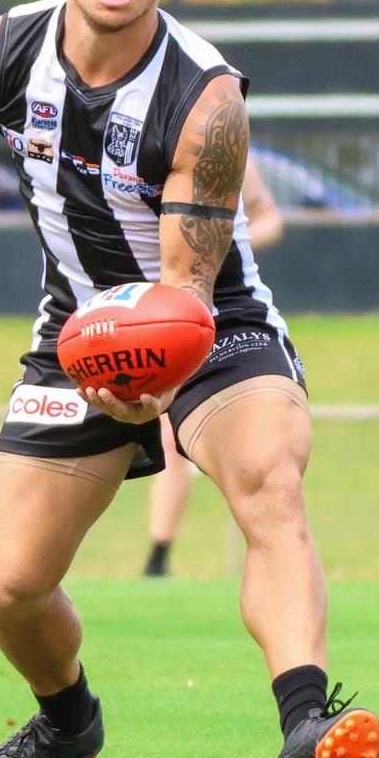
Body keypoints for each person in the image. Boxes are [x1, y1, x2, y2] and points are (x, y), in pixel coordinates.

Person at [0, 0, 379, 758]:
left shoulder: (207, 101)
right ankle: (68, 722)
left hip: (209, 320)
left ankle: (306, 725)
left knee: (270, 479)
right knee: (10, 584)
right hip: (72, 329)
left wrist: (148, 387)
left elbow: (184, 297)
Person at [144, 155, 284, 576]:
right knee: (167, 440)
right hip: (144, 307)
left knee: (173, 438)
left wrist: (222, 239)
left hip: (207, 310)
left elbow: (269, 218)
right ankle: (158, 556)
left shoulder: (231, 153)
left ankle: (158, 556)